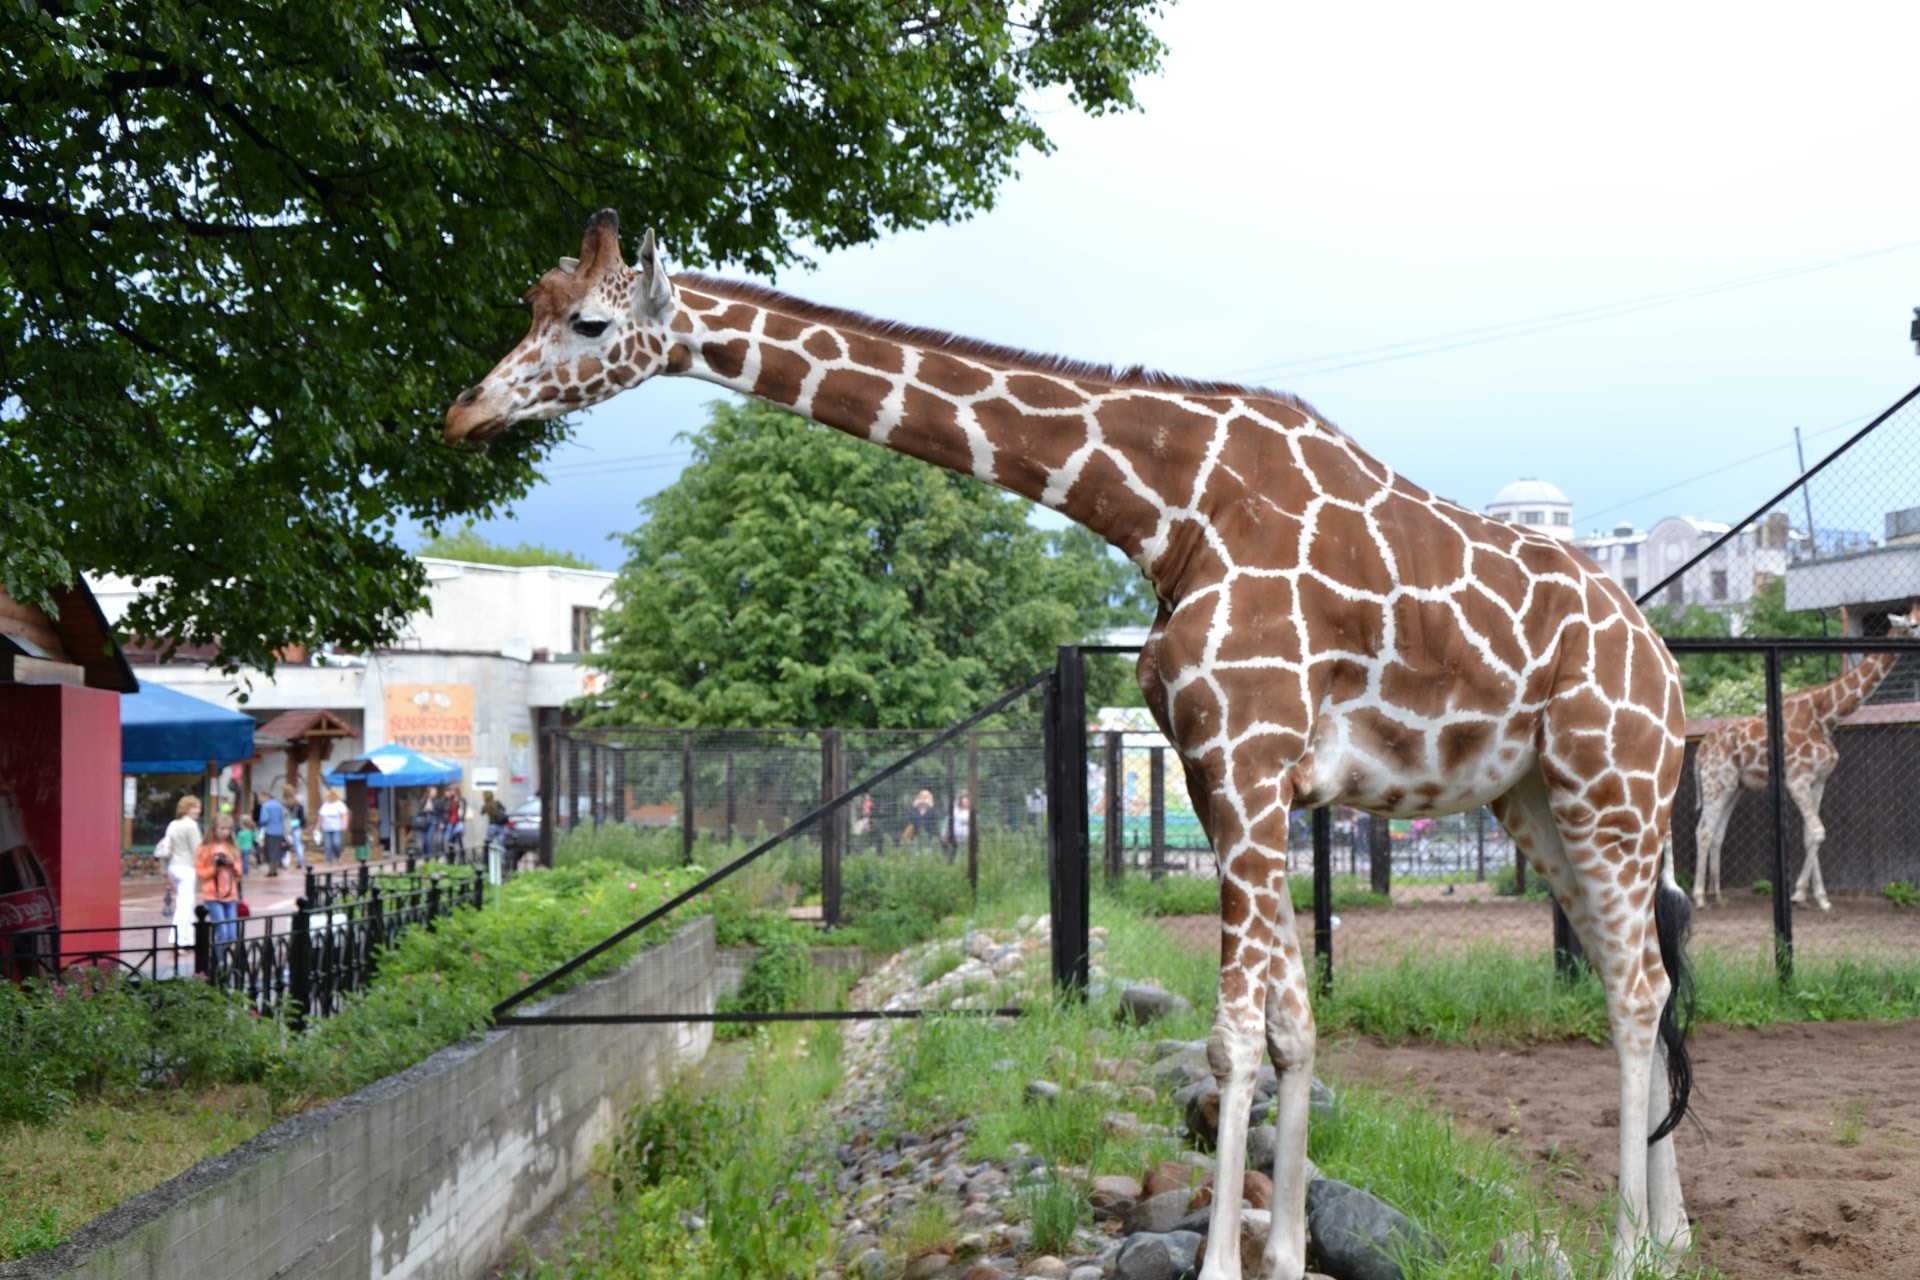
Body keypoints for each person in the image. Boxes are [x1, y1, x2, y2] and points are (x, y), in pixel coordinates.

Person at [161, 795, 202, 947]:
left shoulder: (172, 824)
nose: (198, 811)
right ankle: (177, 938)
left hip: (173, 867)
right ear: (187, 808)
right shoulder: (191, 825)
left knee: (186, 903)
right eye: (195, 807)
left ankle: (188, 939)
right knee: (185, 905)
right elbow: (198, 850)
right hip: (186, 867)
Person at [196, 814, 242, 946]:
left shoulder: (232, 847)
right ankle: (218, 964)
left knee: (232, 934)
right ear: (214, 829)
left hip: (230, 894)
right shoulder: (204, 848)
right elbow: (201, 873)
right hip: (212, 896)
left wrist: (232, 864)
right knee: (222, 932)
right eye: (222, 828)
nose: (225, 832)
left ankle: (224, 962)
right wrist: (214, 867)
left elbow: (239, 871)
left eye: (228, 829)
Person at [257, 788, 287, 879]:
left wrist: (260, 824)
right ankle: (275, 869)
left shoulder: (265, 806)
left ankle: (271, 870)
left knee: (269, 850)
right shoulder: (280, 806)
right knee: (276, 850)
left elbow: (264, 819)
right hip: (279, 831)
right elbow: (283, 817)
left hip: (269, 831)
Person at [318, 789, 348, 864]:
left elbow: (344, 815)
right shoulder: (325, 805)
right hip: (326, 828)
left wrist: (344, 824)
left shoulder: (339, 804)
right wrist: (318, 826)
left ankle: (338, 856)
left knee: (336, 843)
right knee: (328, 845)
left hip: (336, 828)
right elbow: (321, 816)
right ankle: (329, 860)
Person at [284, 788, 307, 871]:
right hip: (293, 827)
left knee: (295, 844)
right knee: (293, 845)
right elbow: (302, 818)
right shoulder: (298, 806)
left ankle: (298, 861)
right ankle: (295, 861)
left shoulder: (286, 806)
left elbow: (302, 818)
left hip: (292, 827)